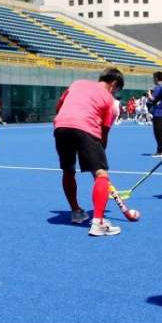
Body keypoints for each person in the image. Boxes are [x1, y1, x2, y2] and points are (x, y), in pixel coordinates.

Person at [53, 68, 126, 236]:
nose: (115, 92)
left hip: (61, 126)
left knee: (68, 170)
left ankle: (76, 212)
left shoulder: (78, 83)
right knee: (101, 175)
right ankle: (98, 222)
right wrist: (99, 165)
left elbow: (59, 106)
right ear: (114, 84)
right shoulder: (109, 101)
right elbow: (104, 134)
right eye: (117, 89)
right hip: (86, 128)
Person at [148, 72, 162, 156]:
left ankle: (160, 150)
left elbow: (152, 99)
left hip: (158, 112)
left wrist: (149, 93)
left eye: (154, 78)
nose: (153, 80)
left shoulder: (158, 87)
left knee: (157, 132)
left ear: (156, 78)